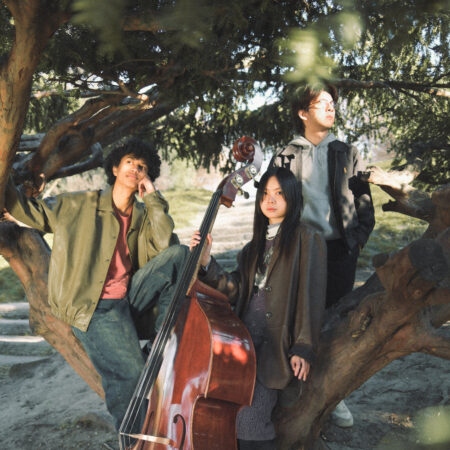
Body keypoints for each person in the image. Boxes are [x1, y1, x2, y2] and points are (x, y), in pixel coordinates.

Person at [5, 137, 188, 430]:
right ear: (115, 168)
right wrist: (4, 173)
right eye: (129, 162)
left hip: (128, 297)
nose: (135, 169)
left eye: (142, 167)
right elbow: (28, 211)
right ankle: (134, 442)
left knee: (180, 254)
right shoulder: (79, 204)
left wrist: (153, 198)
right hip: (94, 306)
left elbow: (167, 246)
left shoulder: (143, 215)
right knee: (130, 376)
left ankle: (161, 340)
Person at [190, 167, 327, 450]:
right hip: (243, 345)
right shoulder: (252, 248)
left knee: (251, 421)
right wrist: (206, 262)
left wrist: (303, 347)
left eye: (279, 193)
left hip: (274, 346)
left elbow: (311, 296)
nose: (270, 200)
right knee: (226, 416)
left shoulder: (307, 238)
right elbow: (234, 291)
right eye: (265, 194)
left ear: (292, 198)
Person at [269, 85, 375, 427]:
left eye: (332, 103)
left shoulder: (346, 152)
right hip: (300, 249)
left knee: (336, 322)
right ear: (304, 113)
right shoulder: (285, 155)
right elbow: (271, 203)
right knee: (299, 322)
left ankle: (333, 397)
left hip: (339, 250)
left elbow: (363, 201)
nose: (331, 109)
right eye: (322, 104)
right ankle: (295, 394)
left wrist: (357, 240)